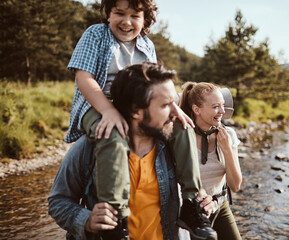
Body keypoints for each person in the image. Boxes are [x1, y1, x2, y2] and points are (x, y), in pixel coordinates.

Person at [64, 0, 215, 238]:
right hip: (96, 103)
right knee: (112, 135)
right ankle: (116, 216)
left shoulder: (146, 45)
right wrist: (108, 110)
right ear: (108, 14)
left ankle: (190, 203)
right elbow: (84, 78)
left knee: (184, 126)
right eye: (119, 13)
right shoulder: (95, 35)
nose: (126, 21)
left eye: (135, 15)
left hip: (136, 105)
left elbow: (157, 83)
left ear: (145, 20)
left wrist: (173, 106)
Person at [49, 63, 217, 240]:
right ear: (136, 110)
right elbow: (58, 202)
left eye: (174, 102)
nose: (176, 112)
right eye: (166, 105)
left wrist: (205, 202)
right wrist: (87, 221)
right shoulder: (88, 147)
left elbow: (202, 191)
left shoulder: (175, 146)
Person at [179, 82, 243, 240]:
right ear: (196, 109)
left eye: (222, 105)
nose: (222, 111)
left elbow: (235, 186)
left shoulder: (228, 135)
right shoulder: (182, 136)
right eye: (215, 107)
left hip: (220, 206)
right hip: (190, 211)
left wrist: (227, 149)